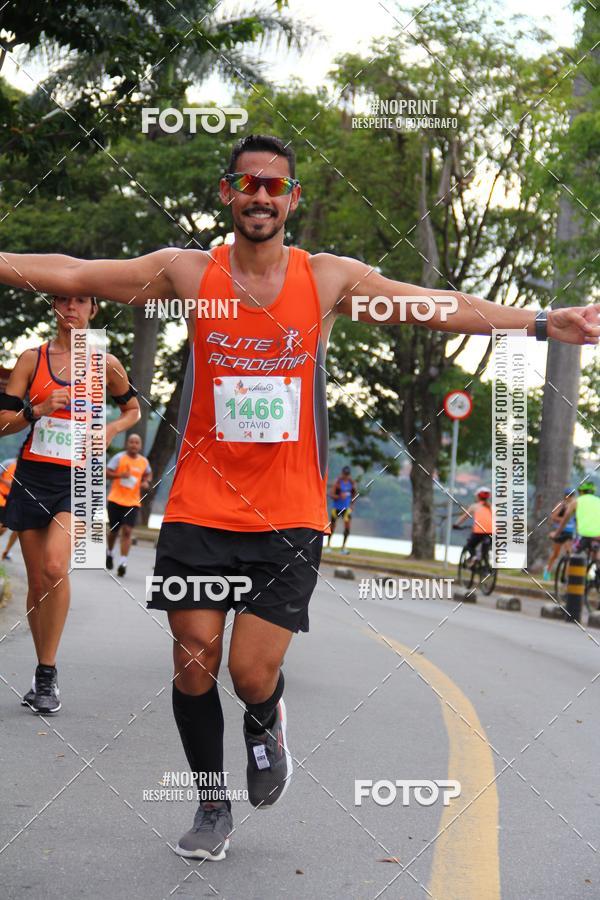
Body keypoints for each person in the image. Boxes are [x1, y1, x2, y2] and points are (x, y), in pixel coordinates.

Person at [0, 134, 597, 859]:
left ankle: (266, 720)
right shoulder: (188, 272)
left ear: (292, 199)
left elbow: (434, 306)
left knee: (251, 671)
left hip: (287, 514)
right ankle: (211, 805)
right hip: (199, 506)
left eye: (274, 186)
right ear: (228, 193)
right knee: (193, 658)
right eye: (248, 183)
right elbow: (74, 271)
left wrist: (542, 323)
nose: (261, 196)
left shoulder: (327, 278)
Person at [0, 295, 141, 714]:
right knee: (36, 582)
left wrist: (112, 429)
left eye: (81, 301)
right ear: (54, 308)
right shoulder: (32, 359)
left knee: (55, 566)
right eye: (63, 300)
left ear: (94, 310)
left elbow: (133, 410)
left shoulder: (106, 363)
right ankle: (43, 669)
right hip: (33, 476)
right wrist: (37, 409)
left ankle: (47, 673)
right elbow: (3, 424)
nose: (71, 307)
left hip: (79, 479)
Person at [106, 433, 152, 577]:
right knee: (114, 531)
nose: (134, 445)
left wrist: (146, 482)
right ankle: (110, 553)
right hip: (115, 500)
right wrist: (120, 475)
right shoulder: (119, 458)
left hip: (132, 502)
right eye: (131, 442)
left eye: (137, 442)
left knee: (127, 531)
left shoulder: (143, 461)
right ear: (127, 444)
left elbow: (148, 474)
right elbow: (106, 473)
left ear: (140, 446)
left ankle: (123, 563)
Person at [552, 480, 600, 561]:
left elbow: (565, 519)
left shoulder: (576, 502)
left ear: (581, 492)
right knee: (596, 554)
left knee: (572, 554)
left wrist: (556, 534)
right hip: (598, 535)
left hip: (583, 534)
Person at [453, 486, 494, 564]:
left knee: (470, 546)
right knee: (485, 550)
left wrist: (456, 524)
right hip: (492, 533)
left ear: (478, 496)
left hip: (479, 532)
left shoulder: (474, 506)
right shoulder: (492, 507)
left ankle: (474, 556)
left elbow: (464, 517)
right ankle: (486, 566)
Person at [543, 488, 575, 580]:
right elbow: (553, 517)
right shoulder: (560, 505)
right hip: (560, 531)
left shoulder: (574, 505)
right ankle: (547, 570)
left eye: (571, 495)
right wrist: (564, 519)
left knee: (569, 553)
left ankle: (566, 575)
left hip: (569, 531)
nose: (569, 497)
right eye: (568, 495)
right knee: (556, 554)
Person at [325, 465, 356, 554]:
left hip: (346, 509)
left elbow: (354, 495)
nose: (346, 476)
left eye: (347, 474)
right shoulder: (338, 482)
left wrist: (352, 505)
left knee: (347, 528)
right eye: (345, 474)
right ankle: (328, 546)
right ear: (342, 473)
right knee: (332, 527)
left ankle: (343, 548)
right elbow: (331, 494)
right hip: (336, 508)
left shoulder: (351, 483)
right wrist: (339, 496)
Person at [0, 457, 17, 553]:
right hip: (1, 497)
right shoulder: (9, 462)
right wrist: (6, 482)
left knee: (3, 529)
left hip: (11, 502)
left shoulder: (29, 470)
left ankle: (7, 551)